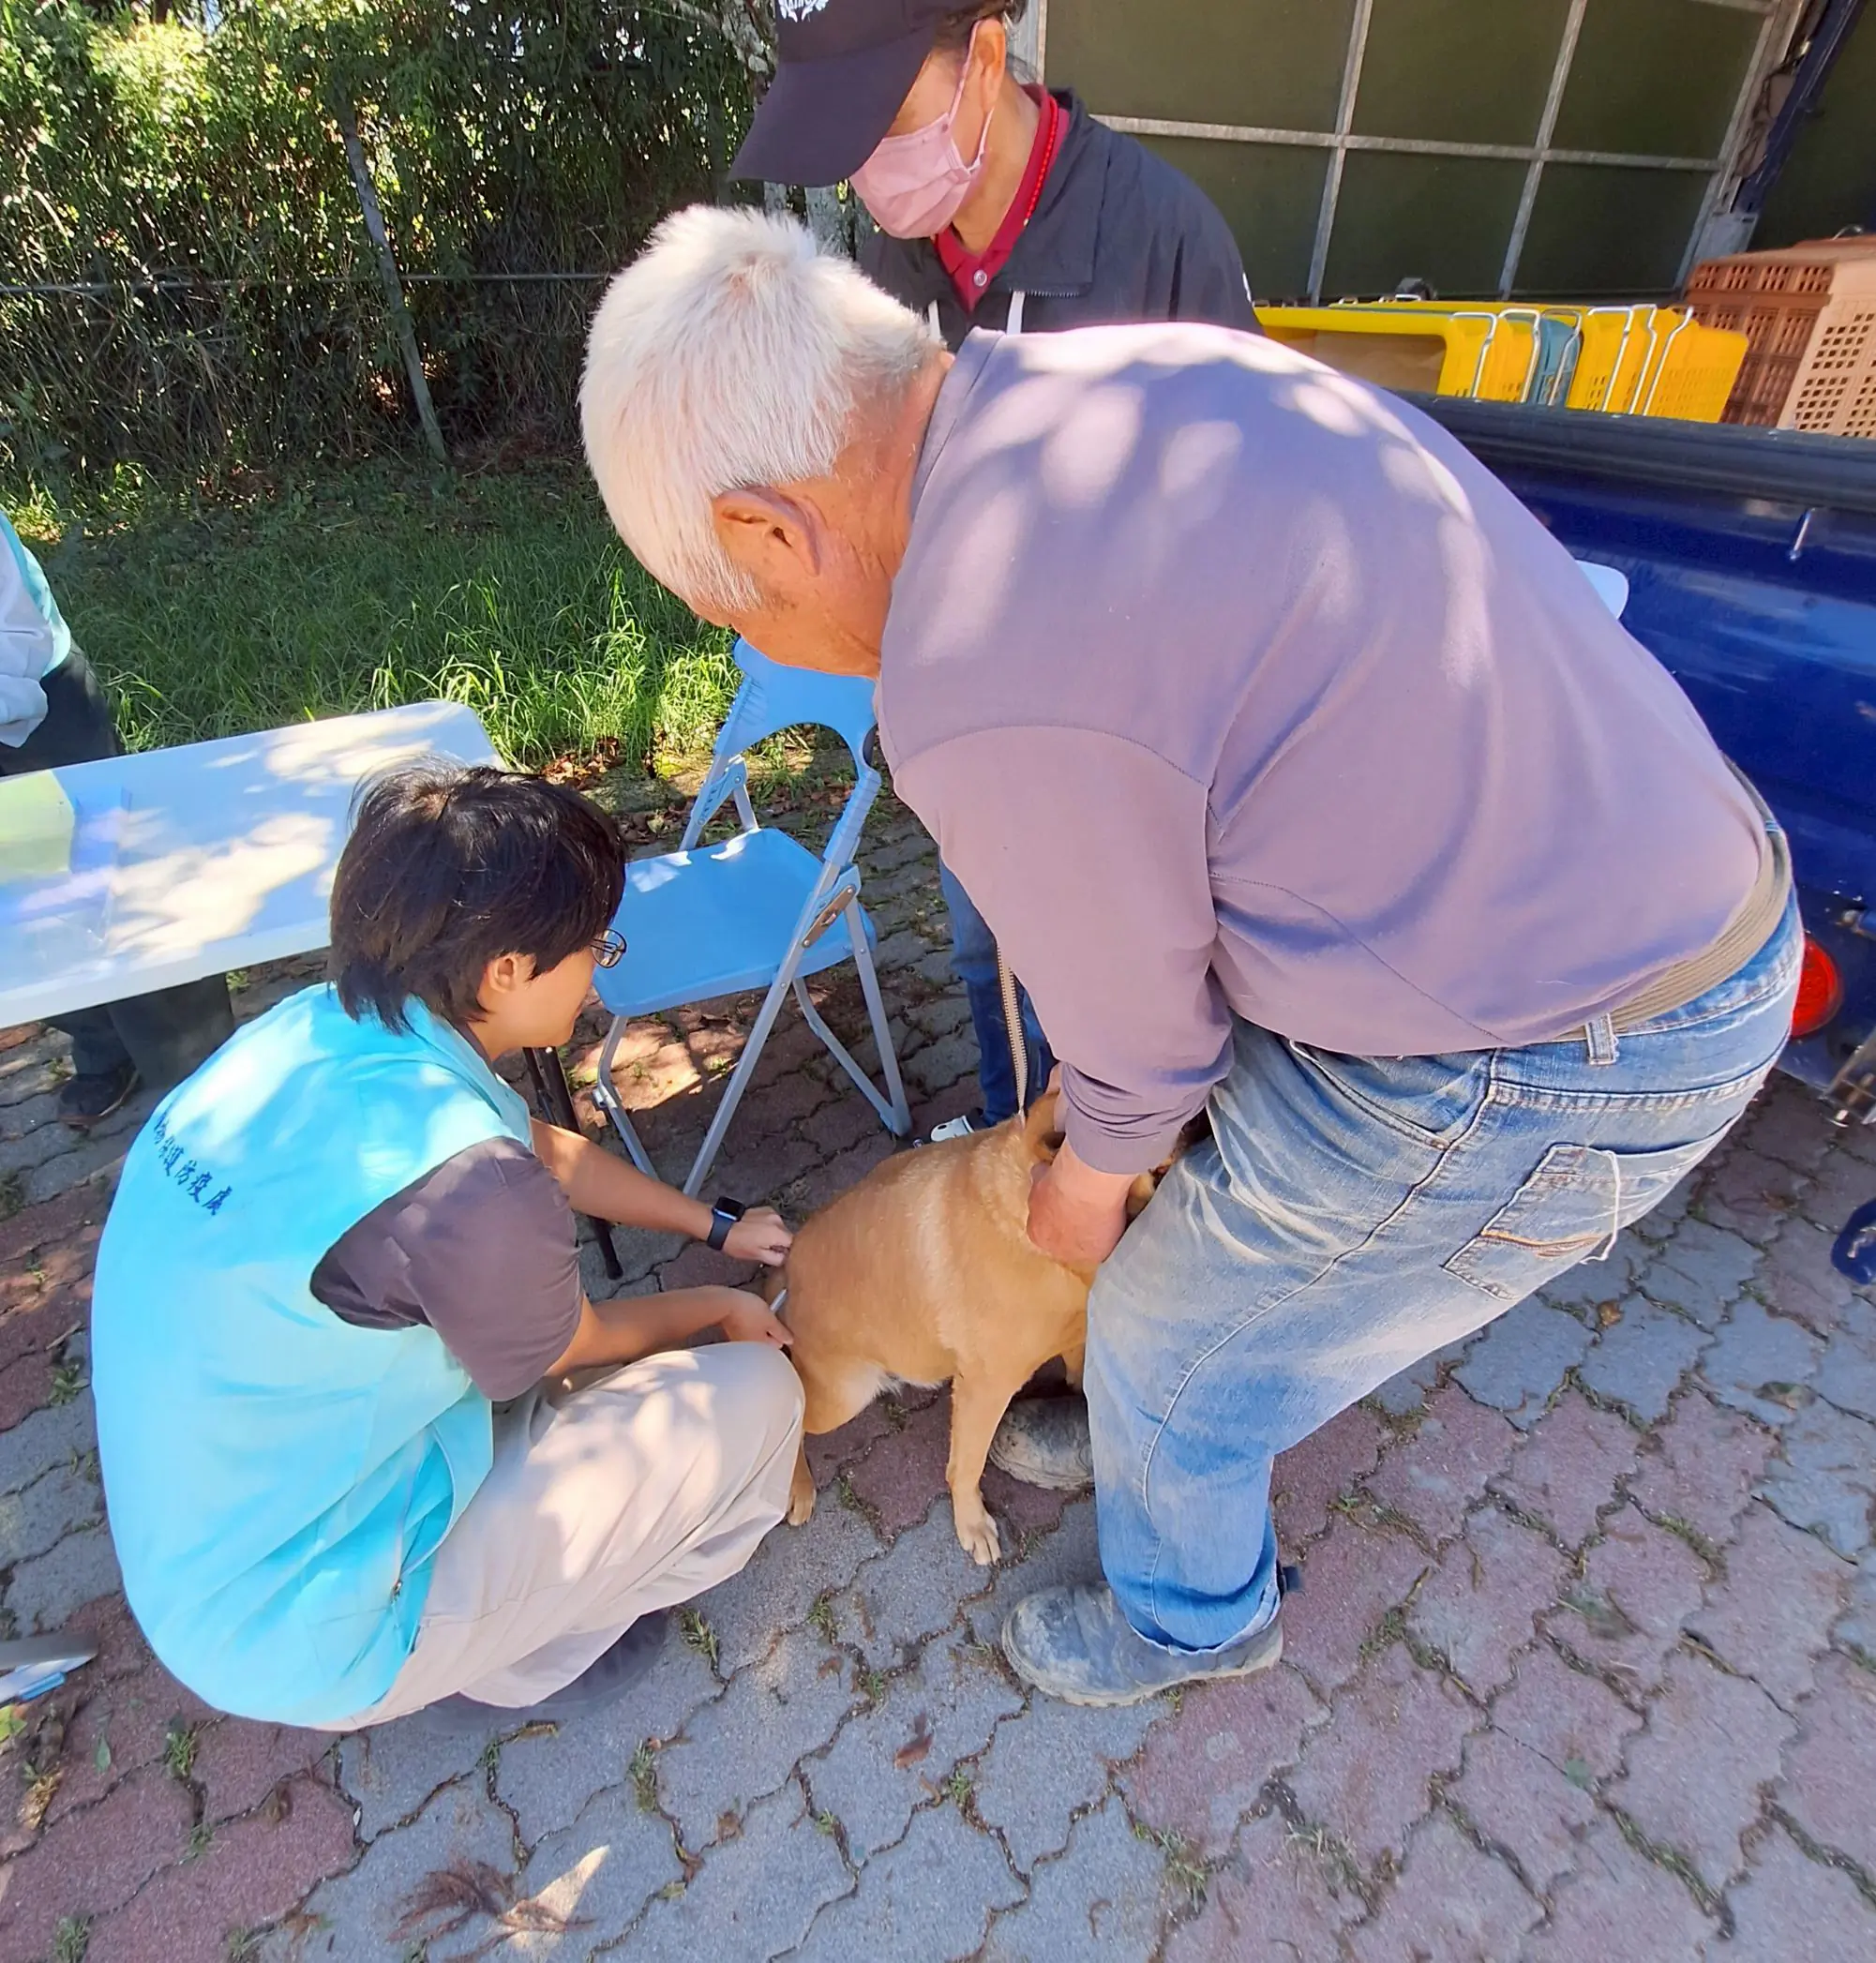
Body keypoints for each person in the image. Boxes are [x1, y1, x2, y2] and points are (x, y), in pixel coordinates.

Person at [577, 209, 1798, 1705]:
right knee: (1176, 1240)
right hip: (1680, 887)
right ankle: (1144, 1422)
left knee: (1163, 1317)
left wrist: (1087, 1192)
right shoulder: (1141, 377)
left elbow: (1140, 1051)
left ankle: (1193, 1613)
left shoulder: (972, 670)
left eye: (727, 605)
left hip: (1568, 1038)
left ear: (772, 532)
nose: (750, 628)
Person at [91, 764, 803, 1730]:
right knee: (759, 1399)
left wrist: (708, 1223)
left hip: (211, 1540)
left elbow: (545, 1148)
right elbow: (570, 1343)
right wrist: (722, 1307)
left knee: (524, 1384)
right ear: (506, 970)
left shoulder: (332, 1026)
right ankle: (540, 1649)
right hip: (302, 1624)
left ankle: (504, 1601)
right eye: (596, 945)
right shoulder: (472, 1184)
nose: (603, 967)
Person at [733, 0, 1256, 1142]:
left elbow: (1246, 528)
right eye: (844, 140)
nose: (873, 173)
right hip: (979, 728)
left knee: (1140, 995)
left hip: (1142, 755)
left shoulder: (1160, 237)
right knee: (986, 952)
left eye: (886, 121)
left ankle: (1147, 1185)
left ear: (982, 51)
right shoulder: (891, 258)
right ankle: (1014, 1154)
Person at [1, 509, 233, 1119]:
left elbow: (14, 644)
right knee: (19, 922)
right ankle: (105, 1044)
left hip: (36, 708)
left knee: (117, 897)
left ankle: (207, 1088)